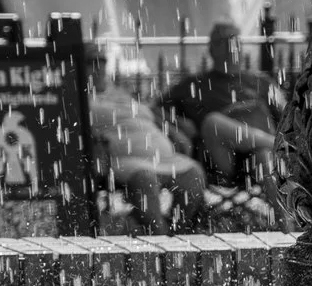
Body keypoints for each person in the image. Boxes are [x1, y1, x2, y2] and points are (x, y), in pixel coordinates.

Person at [160, 21, 286, 183]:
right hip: (225, 157)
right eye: (223, 41)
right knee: (212, 122)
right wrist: (177, 124)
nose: (230, 46)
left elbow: (289, 118)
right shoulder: (193, 84)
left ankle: (280, 208)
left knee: (264, 159)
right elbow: (154, 110)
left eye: (235, 40)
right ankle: (279, 146)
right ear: (211, 49)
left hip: (261, 154)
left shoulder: (262, 82)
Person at [89, 69, 206, 228]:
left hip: (165, 158)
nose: (98, 68)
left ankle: (179, 230)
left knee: (194, 174)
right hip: (126, 160)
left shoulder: (119, 94)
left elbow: (152, 114)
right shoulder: (82, 102)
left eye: (101, 61)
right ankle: (159, 237)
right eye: (91, 62)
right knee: (145, 178)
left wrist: (174, 132)